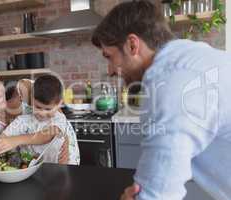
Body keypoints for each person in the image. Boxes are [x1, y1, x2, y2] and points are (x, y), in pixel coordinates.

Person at [92, 1, 231, 200]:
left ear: (133, 45)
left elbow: (156, 195)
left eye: (109, 56)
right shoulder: (194, 56)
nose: (110, 70)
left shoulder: (169, 84)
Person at [0, 65, 69, 163]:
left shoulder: (23, 89)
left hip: (58, 156)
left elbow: (55, 108)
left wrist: (65, 140)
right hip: (25, 168)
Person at [0, 75, 80, 165]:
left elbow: (47, 136)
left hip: (61, 165)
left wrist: (16, 140)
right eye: (38, 107)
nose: (42, 113)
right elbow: (4, 136)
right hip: (37, 169)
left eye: (48, 109)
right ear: (31, 100)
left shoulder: (59, 118)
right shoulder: (23, 120)